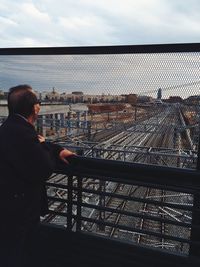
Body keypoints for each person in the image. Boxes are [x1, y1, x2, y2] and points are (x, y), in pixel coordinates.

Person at [0, 84, 75, 266]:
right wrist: (45, 147)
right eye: (38, 102)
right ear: (35, 108)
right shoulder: (24, 133)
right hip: (20, 213)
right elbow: (44, 167)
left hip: (7, 208)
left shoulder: (8, 128)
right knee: (18, 254)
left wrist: (47, 146)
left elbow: (35, 148)